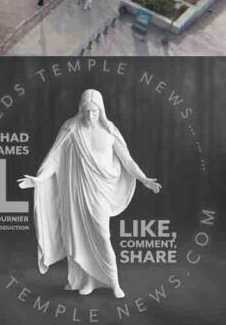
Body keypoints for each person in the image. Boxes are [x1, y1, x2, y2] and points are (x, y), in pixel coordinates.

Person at [18, 88, 162, 298]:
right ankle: (86, 281)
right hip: (76, 193)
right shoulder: (71, 129)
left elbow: (127, 160)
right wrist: (39, 179)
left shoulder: (110, 131)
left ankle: (114, 282)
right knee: (77, 236)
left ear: (101, 111)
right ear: (81, 109)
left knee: (103, 236)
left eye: (94, 111)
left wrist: (144, 179)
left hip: (100, 192)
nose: (90, 116)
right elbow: (54, 159)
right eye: (86, 111)